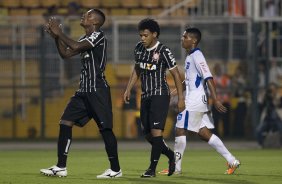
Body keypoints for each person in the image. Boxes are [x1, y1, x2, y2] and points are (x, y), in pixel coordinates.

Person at [40, 9, 122, 178]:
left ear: (95, 22)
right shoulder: (83, 39)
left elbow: (75, 47)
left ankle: (115, 169)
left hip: (97, 90)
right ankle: (61, 166)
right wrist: (57, 38)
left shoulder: (98, 35)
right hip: (83, 91)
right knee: (65, 122)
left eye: (88, 15)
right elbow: (66, 54)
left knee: (105, 129)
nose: (84, 16)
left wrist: (60, 32)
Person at [159, 27, 240, 175]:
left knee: (179, 128)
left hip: (194, 100)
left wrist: (215, 99)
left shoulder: (197, 56)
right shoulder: (190, 56)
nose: (182, 39)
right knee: (203, 133)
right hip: (196, 99)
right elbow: (190, 79)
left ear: (194, 40)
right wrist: (177, 90)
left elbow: (208, 77)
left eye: (185, 37)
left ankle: (176, 168)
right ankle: (232, 160)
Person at [124, 18, 185, 177]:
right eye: (140, 35)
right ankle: (171, 156)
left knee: (157, 133)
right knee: (148, 134)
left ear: (154, 34)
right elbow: (137, 70)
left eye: (145, 35)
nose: (142, 38)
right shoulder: (138, 48)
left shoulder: (164, 51)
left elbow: (176, 75)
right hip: (145, 96)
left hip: (160, 95)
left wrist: (180, 98)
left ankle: (151, 169)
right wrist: (128, 89)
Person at [256, 83, 282, 147]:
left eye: (273, 90)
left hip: (277, 119)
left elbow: (279, 106)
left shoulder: (279, 96)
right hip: (267, 120)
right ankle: (262, 144)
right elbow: (260, 107)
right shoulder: (266, 98)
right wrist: (262, 98)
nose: (272, 91)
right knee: (259, 130)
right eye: (271, 90)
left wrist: (275, 98)